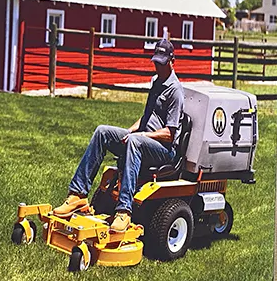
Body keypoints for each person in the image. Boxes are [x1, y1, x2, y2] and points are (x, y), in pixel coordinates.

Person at [53, 35, 183, 234]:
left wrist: (141, 137)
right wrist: (131, 131)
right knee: (102, 132)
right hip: (142, 140)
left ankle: (124, 211)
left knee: (135, 142)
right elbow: (148, 116)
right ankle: (77, 195)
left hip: (164, 150)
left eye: (162, 64)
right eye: (156, 63)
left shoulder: (175, 91)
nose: (158, 67)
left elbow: (170, 134)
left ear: (172, 62)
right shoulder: (156, 82)